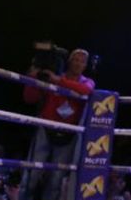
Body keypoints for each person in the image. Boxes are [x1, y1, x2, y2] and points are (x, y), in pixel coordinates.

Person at [20, 48, 95, 200]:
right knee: (32, 173)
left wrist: (58, 81)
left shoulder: (86, 81)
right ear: (69, 61)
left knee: (56, 179)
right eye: (75, 59)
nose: (78, 63)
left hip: (67, 134)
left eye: (82, 61)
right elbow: (29, 98)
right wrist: (33, 81)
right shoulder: (52, 77)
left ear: (85, 65)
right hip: (46, 128)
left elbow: (86, 90)